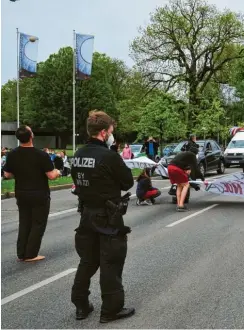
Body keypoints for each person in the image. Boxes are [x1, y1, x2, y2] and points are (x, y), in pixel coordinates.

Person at [70, 111, 136, 322]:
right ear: (102, 132)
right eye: (110, 132)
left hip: (86, 214)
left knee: (87, 261)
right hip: (108, 216)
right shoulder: (109, 156)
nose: (111, 136)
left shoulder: (78, 154)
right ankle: (111, 309)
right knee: (111, 262)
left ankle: (81, 304)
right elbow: (127, 182)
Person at [3, 126, 61, 262]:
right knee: (38, 223)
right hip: (39, 193)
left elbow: (7, 174)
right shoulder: (41, 155)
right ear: (31, 136)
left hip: (21, 192)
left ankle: (21, 252)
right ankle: (31, 253)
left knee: (24, 222)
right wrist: (58, 172)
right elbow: (51, 175)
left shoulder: (12, 154)